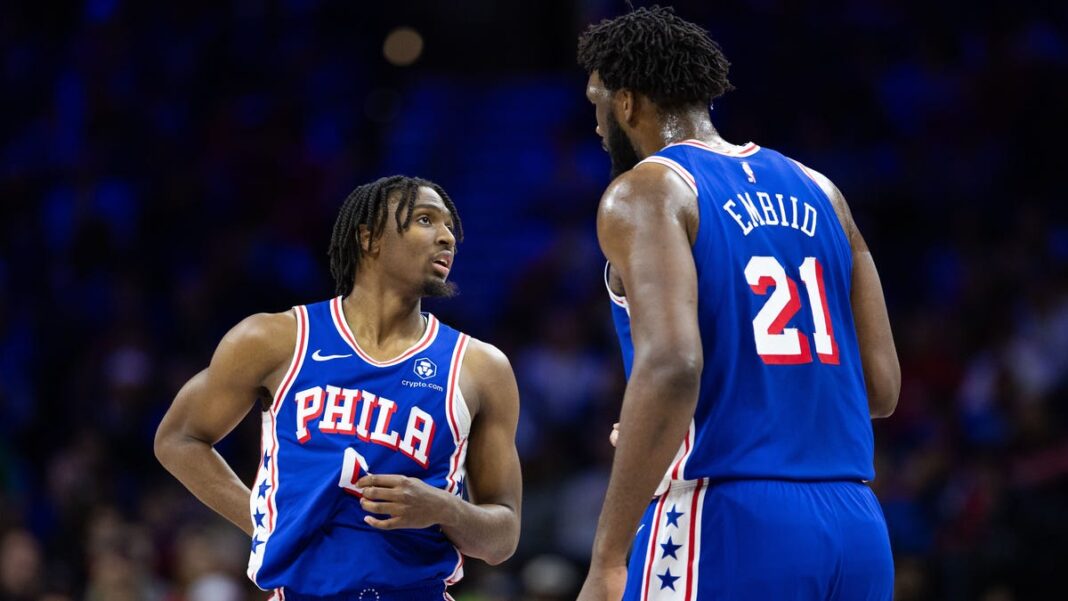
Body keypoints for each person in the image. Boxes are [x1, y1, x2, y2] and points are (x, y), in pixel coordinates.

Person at [575, 7, 900, 601]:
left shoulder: (647, 190)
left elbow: (673, 368)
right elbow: (880, 388)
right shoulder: (823, 190)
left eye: (597, 103)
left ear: (625, 103)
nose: (597, 127)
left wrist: (607, 560)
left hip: (726, 516)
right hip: (857, 527)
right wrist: (669, 425)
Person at [154, 176, 522, 600]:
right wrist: (266, 523)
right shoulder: (275, 339)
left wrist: (442, 508)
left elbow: (503, 538)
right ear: (369, 238)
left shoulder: (479, 367)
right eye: (425, 220)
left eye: (449, 229)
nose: (446, 238)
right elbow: (178, 439)